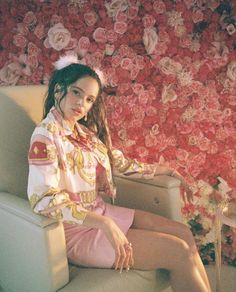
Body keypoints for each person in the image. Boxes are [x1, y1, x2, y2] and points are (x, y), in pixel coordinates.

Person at [27, 55, 211, 292]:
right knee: (178, 252)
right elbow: (43, 199)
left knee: (182, 232)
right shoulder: (45, 136)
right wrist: (104, 224)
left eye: (89, 99)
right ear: (59, 89)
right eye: (76, 92)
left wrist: (167, 171)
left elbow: (120, 163)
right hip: (76, 231)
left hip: (101, 213)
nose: (82, 103)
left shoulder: (84, 134)